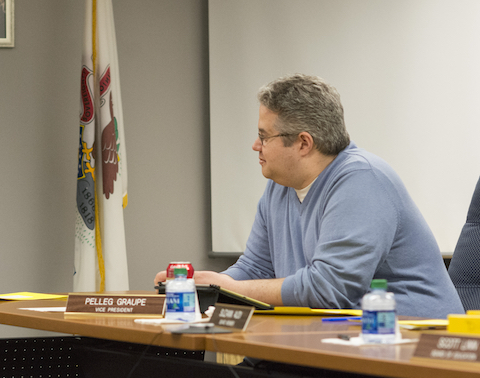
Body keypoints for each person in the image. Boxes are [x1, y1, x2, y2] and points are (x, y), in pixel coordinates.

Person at [155, 74, 463, 319]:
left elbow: (330, 288)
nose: (255, 145)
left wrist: (230, 287)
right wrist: (205, 284)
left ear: (303, 143)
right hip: (334, 338)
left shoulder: (361, 180)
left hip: (412, 349)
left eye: (264, 137)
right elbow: (256, 270)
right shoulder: (280, 185)